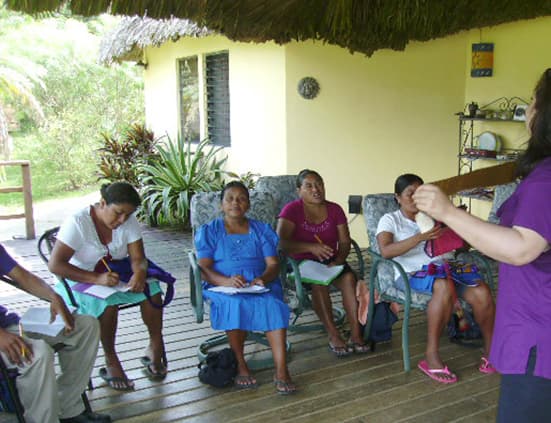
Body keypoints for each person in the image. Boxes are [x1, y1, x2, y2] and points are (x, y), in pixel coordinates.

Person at [413, 69, 551, 421]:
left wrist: (447, 211)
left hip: (540, 332)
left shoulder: (545, 178)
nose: (527, 109)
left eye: (533, 101)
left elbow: (522, 247)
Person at [376, 173, 496, 384]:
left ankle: (491, 350)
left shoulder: (436, 215)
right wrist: (420, 237)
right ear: (397, 197)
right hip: (411, 273)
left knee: (481, 291)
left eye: (420, 193)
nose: (415, 198)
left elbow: (462, 247)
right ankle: (431, 356)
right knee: (442, 286)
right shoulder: (391, 219)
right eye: (409, 193)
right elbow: (385, 251)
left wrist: (458, 224)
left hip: (449, 268)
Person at [48, 182, 167, 391]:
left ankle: (155, 345)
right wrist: (96, 279)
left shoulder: (128, 221)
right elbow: (56, 265)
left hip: (115, 274)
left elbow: (138, 258)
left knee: (153, 291)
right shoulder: (78, 222)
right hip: (79, 279)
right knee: (108, 304)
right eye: (118, 213)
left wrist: (139, 272)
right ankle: (111, 358)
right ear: (102, 203)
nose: (122, 220)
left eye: (127, 216)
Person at [195, 181, 296, 394]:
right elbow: (203, 267)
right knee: (235, 302)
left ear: (248, 204)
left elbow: (273, 264)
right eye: (230, 198)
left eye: (241, 198)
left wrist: (263, 278)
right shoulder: (210, 231)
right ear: (222, 204)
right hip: (221, 284)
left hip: (258, 283)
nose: (235, 203)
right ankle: (241, 365)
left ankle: (281, 369)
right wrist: (226, 282)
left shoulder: (261, 229)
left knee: (273, 305)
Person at [0, 243, 111, 423]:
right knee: (36, 354)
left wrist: (54, 297)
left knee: (85, 326)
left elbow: (23, 277)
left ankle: (67, 409)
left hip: (7, 325)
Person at [277, 169, 369, 357]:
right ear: (298, 190)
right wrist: (310, 247)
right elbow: (280, 243)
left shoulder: (334, 209)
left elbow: (344, 242)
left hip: (330, 261)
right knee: (319, 285)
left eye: (319, 184)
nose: (315, 189)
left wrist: (339, 260)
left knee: (349, 279)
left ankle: (356, 333)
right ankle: (333, 334)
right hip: (300, 263)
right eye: (309, 186)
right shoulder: (292, 210)